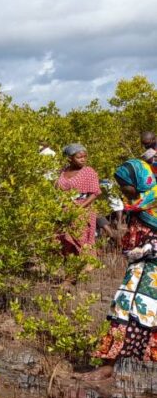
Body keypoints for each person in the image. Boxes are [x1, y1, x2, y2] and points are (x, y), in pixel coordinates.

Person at [90, 159, 157, 380]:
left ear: (137, 181)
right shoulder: (140, 204)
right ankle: (108, 365)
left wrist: (149, 248)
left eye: (124, 185)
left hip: (152, 270)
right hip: (138, 270)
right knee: (122, 310)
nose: (122, 190)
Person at [56, 144, 101, 254]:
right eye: (79, 157)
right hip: (63, 210)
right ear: (69, 158)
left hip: (82, 211)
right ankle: (69, 266)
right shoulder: (62, 171)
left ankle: (86, 266)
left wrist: (79, 208)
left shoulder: (88, 171)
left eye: (85, 157)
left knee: (81, 239)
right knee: (63, 240)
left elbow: (95, 193)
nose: (83, 160)